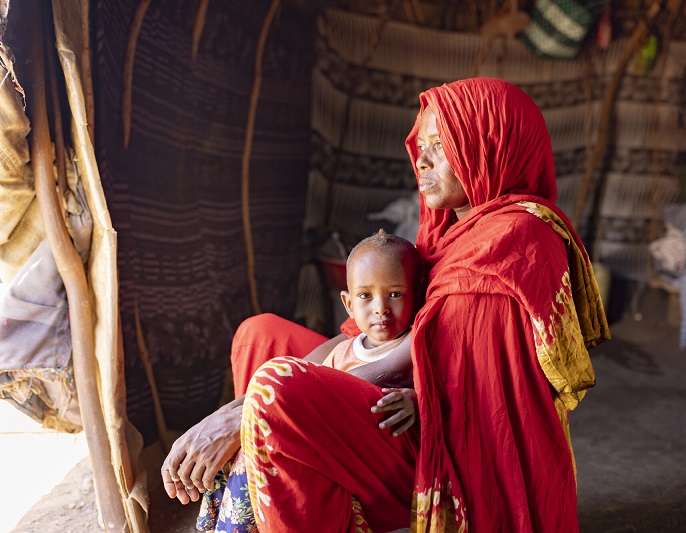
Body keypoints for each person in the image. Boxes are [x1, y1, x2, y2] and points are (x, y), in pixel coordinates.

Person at [165, 77, 609, 532]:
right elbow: (361, 336)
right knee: (261, 335)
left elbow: (428, 355)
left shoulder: (515, 237)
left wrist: (245, 415)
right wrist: (235, 408)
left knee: (277, 388)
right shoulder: (449, 233)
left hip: (442, 439)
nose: (422, 158)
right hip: (399, 405)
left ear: (489, 146)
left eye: (442, 145)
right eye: (423, 144)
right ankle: (294, 504)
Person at [195, 230, 423, 532]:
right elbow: (313, 390)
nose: (380, 308)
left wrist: (416, 401)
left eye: (395, 294)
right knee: (253, 443)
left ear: (418, 295)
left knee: (271, 399)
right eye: (366, 296)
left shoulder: (417, 343)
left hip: (377, 465)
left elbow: (438, 390)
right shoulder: (343, 352)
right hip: (326, 454)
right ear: (349, 304)